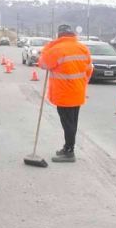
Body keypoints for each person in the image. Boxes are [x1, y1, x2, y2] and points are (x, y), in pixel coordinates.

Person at [38, 23, 93, 162]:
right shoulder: (83, 48)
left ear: (59, 35)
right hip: (77, 92)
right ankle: (68, 148)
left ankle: (69, 151)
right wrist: (80, 84)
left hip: (64, 94)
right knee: (72, 123)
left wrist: (48, 46)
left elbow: (43, 64)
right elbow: (89, 69)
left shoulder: (57, 49)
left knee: (67, 124)